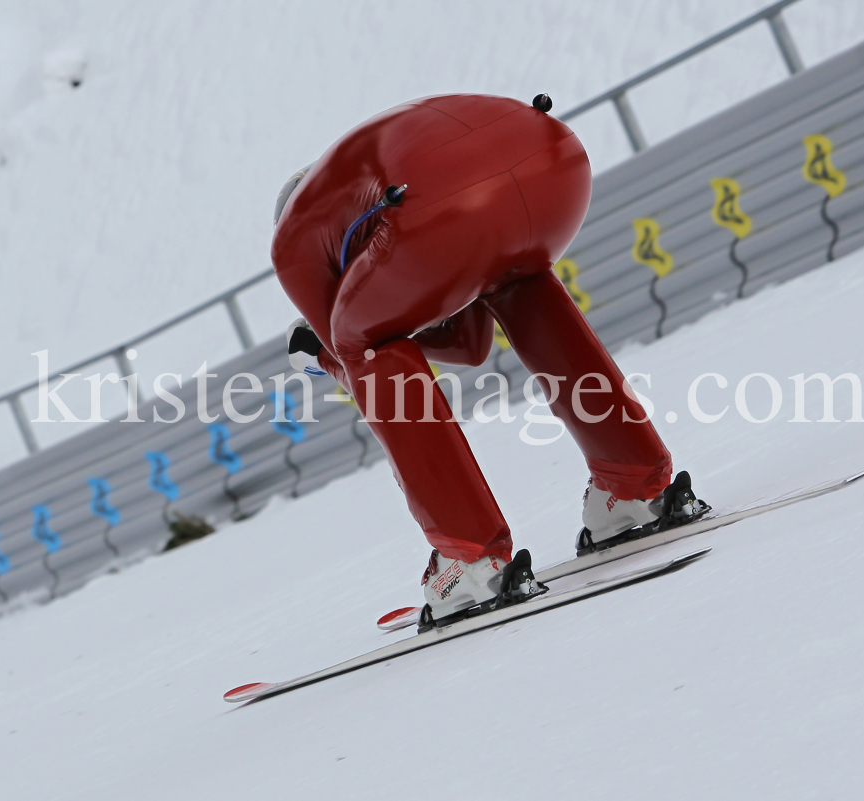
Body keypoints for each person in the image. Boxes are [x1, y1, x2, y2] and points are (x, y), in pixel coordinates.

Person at [271, 93, 700, 623]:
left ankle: (467, 557)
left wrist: (320, 357)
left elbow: (355, 351)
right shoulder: (355, 195)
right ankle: (632, 487)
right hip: (550, 162)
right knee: (522, 288)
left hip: (435, 205)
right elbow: (471, 345)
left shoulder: (292, 242)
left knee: (359, 342)